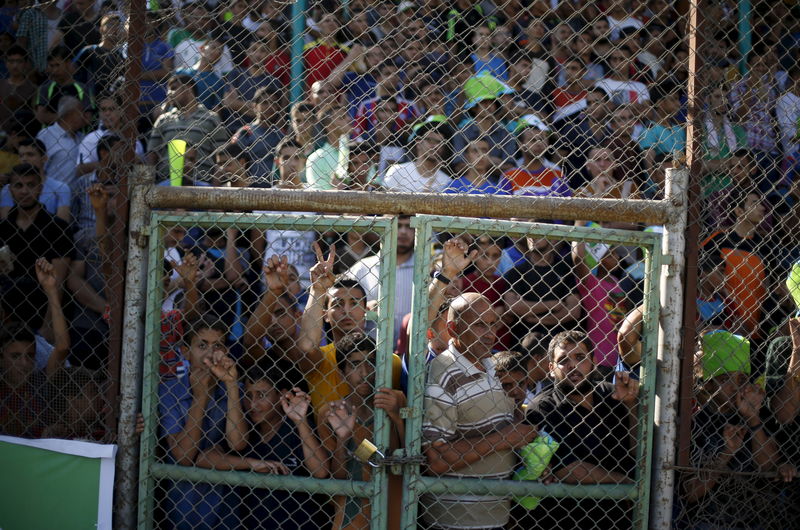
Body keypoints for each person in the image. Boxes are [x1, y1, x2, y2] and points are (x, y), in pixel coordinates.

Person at [421, 292, 538, 529]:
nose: (489, 333)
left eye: (493, 323)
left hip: (496, 516)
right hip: (454, 520)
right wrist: (504, 439)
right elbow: (436, 460)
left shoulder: (494, 366)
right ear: (453, 329)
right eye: (479, 325)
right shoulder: (442, 374)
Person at [522, 330, 638, 530]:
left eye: (580, 357)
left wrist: (630, 405)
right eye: (563, 360)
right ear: (551, 368)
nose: (573, 366)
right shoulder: (542, 407)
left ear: (593, 362)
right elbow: (567, 468)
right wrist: (628, 484)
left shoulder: (612, 394)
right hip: (566, 517)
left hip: (617, 517)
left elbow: (636, 448)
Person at [681, 330, 795, 527]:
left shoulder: (756, 413)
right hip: (712, 518)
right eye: (726, 379)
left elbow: (768, 466)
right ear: (708, 385)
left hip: (757, 516)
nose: (735, 386)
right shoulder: (695, 423)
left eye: (742, 380)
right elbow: (691, 494)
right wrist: (727, 453)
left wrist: (752, 417)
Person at [196, 359, 328, 529]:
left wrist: (301, 421)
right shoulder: (244, 426)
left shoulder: (294, 427)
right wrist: (251, 463)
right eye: (248, 395)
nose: (253, 404)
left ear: (283, 395)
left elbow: (321, 471)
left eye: (262, 395)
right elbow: (204, 458)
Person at [158, 316, 247, 530]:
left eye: (218, 346)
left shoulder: (234, 388)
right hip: (182, 504)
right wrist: (201, 396)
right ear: (185, 352)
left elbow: (238, 443)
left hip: (226, 505)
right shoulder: (168, 391)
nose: (210, 354)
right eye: (201, 346)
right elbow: (184, 456)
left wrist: (232, 384)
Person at [296, 243, 404, 417]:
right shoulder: (321, 360)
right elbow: (308, 346)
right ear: (325, 315)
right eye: (338, 304)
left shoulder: (390, 362)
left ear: (366, 311)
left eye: (354, 303)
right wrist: (318, 290)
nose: (346, 311)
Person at [320, 331, 406, 529]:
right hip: (352, 514)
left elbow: (411, 456)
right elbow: (337, 477)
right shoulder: (331, 413)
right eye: (355, 364)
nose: (365, 372)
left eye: (371, 362)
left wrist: (396, 416)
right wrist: (344, 438)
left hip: (393, 508)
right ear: (342, 372)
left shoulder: (397, 400)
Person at [0, 258, 70, 438]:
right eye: (15, 356)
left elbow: (62, 347)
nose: (24, 363)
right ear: (1, 357)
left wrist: (52, 291)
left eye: (30, 356)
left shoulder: (41, 384)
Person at [0, 164, 73, 330]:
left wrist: (49, 326)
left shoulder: (57, 227)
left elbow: (59, 281)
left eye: (30, 185)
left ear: (40, 189)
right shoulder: (3, 229)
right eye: (18, 185)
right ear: (10, 190)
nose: (24, 191)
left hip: (44, 306)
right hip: (7, 311)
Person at [701, 186, 768, 340]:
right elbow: (702, 273)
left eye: (761, 203)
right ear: (739, 211)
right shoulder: (718, 240)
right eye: (754, 203)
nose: (762, 208)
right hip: (724, 326)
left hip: (758, 330)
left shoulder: (765, 246)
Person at [146, 74, 229, 183]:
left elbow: (221, 156)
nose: (168, 93)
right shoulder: (163, 120)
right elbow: (152, 155)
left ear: (188, 88)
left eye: (174, 88)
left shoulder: (211, 118)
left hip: (200, 183)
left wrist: (214, 188)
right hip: (166, 183)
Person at [346, 215, 415, 343]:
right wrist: (362, 308)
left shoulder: (426, 269)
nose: (403, 232)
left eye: (409, 226)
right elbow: (341, 303)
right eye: (398, 226)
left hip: (413, 350)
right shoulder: (362, 268)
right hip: (369, 351)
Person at [504, 236, 580, 349]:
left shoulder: (565, 270)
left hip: (559, 345)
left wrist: (537, 319)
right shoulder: (516, 272)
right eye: (530, 235)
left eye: (538, 235)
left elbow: (574, 311)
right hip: (523, 345)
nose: (533, 239)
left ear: (552, 238)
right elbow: (512, 306)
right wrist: (551, 305)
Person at [76, 92, 145, 178]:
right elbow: (80, 170)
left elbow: (142, 169)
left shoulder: (133, 139)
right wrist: (109, 162)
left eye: (112, 109)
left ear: (121, 111)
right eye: (103, 110)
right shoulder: (90, 139)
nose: (107, 113)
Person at [221, 40, 284, 134]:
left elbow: (271, 114)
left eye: (263, 51)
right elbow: (227, 102)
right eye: (254, 50)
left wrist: (238, 104)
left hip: (260, 133)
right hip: (232, 129)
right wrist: (257, 109)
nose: (258, 54)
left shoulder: (273, 81)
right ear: (247, 52)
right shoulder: (236, 74)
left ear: (268, 54)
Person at [230, 85, 286, 186]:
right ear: (255, 106)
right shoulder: (244, 133)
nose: (270, 107)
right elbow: (233, 163)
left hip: (275, 190)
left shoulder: (281, 135)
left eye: (274, 103)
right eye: (265, 103)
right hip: (248, 189)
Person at [504, 116, 572, 197]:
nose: (539, 144)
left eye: (542, 139)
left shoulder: (557, 174)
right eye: (533, 140)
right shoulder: (509, 177)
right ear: (520, 145)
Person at [0, 145, 70, 222]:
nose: (24, 159)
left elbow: (62, 222)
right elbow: (6, 221)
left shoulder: (61, 187)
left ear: (44, 158)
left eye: (30, 154)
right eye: (21, 156)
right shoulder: (8, 188)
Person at [34, 45, 94, 127]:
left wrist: (53, 117)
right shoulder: (45, 88)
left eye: (58, 65)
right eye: (51, 66)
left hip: (76, 136)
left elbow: (88, 118)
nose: (54, 70)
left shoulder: (82, 88)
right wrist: (71, 118)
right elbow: (41, 116)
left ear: (68, 63)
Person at [383, 121, 452, 192]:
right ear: (418, 143)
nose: (436, 146)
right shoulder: (398, 171)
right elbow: (385, 201)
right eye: (430, 140)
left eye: (440, 142)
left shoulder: (446, 181)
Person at [36, 96, 87, 190]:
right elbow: (37, 166)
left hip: (77, 197)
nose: (84, 116)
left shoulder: (82, 138)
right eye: (81, 112)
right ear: (71, 114)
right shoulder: (46, 135)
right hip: (52, 195)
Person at [72, 12, 126, 96]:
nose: (115, 29)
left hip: (110, 101)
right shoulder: (90, 51)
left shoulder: (119, 56)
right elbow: (73, 71)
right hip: (89, 99)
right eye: (111, 25)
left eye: (118, 26)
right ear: (101, 29)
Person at [445, 137, 512, 195]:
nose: (480, 155)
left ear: (489, 156)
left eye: (484, 151)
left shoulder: (496, 190)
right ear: (466, 156)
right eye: (475, 151)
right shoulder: (454, 187)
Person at [0, 45, 36, 133]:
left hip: (22, 133)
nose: (15, 65)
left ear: (26, 63)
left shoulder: (33, 88)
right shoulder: (1, 84)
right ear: (6, 63)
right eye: (11, 61)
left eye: (19, 61)